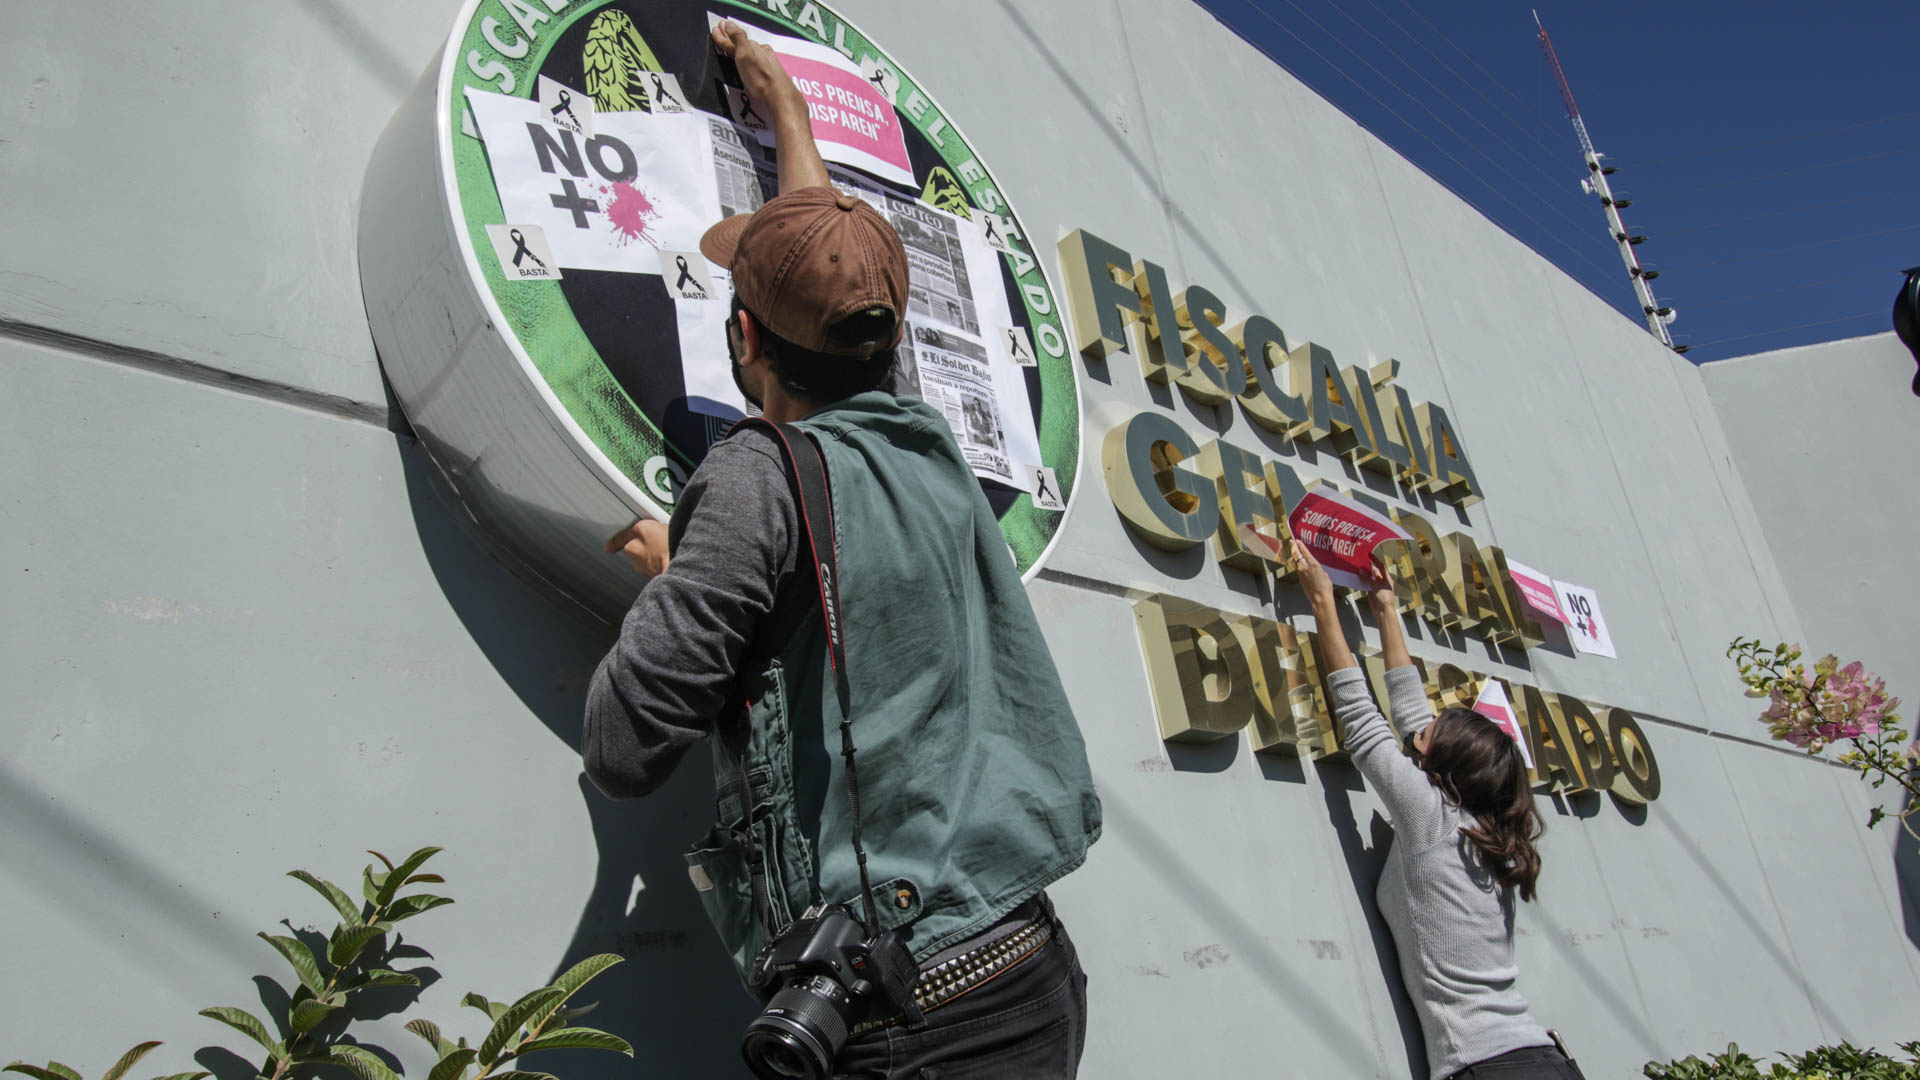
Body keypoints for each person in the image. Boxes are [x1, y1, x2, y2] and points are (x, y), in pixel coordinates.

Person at [582, 19, 1101, 1080]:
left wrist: (684, 578)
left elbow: (626, 743)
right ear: (887, 339)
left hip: (904, 1027)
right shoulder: (930, 442)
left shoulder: (751, 475)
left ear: (745, 342)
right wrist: (785, 110)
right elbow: (832, 266)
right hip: (1030, 969)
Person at [1291, 543, 1580, 1080]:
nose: (1422, 728)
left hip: (1487, 1068)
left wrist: (1323, 604)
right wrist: (1383, 608)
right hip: (1541, 1061)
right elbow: (1409, 713)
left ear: (1439, 767)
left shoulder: (1433, 820)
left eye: (1430, 734)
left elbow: (1362, 718)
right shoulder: (1482, 830)